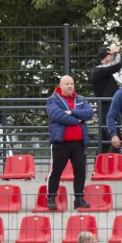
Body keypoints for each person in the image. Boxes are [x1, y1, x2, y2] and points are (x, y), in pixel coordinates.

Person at [45, 75, 94, 210]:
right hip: (61, 142)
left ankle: (79, 198)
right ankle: (51, 198)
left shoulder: (80, 99)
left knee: (80, 171)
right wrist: (76, 120)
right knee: (56, 170)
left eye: (72, 84)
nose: (70, 86)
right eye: (67, 84)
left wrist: (71, 112)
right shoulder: (52, 100)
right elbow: (56, 115)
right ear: (60, 86)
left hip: (79, 143)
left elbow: (89, 113)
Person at [90, 45, 122, 154]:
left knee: (104, 143)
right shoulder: (99, 69)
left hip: (108, 108)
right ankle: (115, 169)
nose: (114, 57)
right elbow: (118, 64)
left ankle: (97, 170)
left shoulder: (103, 71)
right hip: (107, 108)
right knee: (115, 140)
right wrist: (117, 53)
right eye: (112, 55)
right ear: (106, 57)